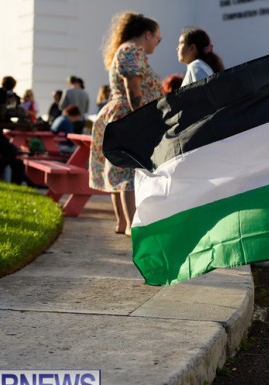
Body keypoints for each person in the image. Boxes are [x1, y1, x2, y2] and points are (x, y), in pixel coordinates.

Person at [89, 11, 163, 237]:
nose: (157, 43)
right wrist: (139, 118)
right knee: (129, 172)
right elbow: (133, 86)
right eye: (158, 38)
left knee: (119, 170)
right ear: (147, 34)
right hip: (128, 114)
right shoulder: (133, 50)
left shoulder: (124, 49)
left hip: (117, 112)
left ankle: (122, 222)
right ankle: (132, 225)